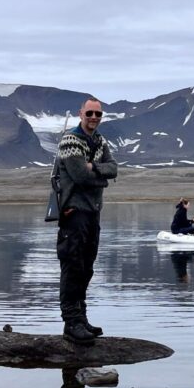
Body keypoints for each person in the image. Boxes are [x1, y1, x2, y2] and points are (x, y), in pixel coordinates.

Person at [55, 97, 118, 346]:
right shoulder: (70, 140)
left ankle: (81, 318)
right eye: (90, 113)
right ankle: (72, 323)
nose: (94, 118)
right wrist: (101, 176)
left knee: (87, 267)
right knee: (73, 266)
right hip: (73, 212)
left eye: (98, 114)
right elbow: (80, 175)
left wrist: (95, 167)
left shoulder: (100, 141)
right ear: (81, 113)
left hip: (93, 212)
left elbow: (114, 168)